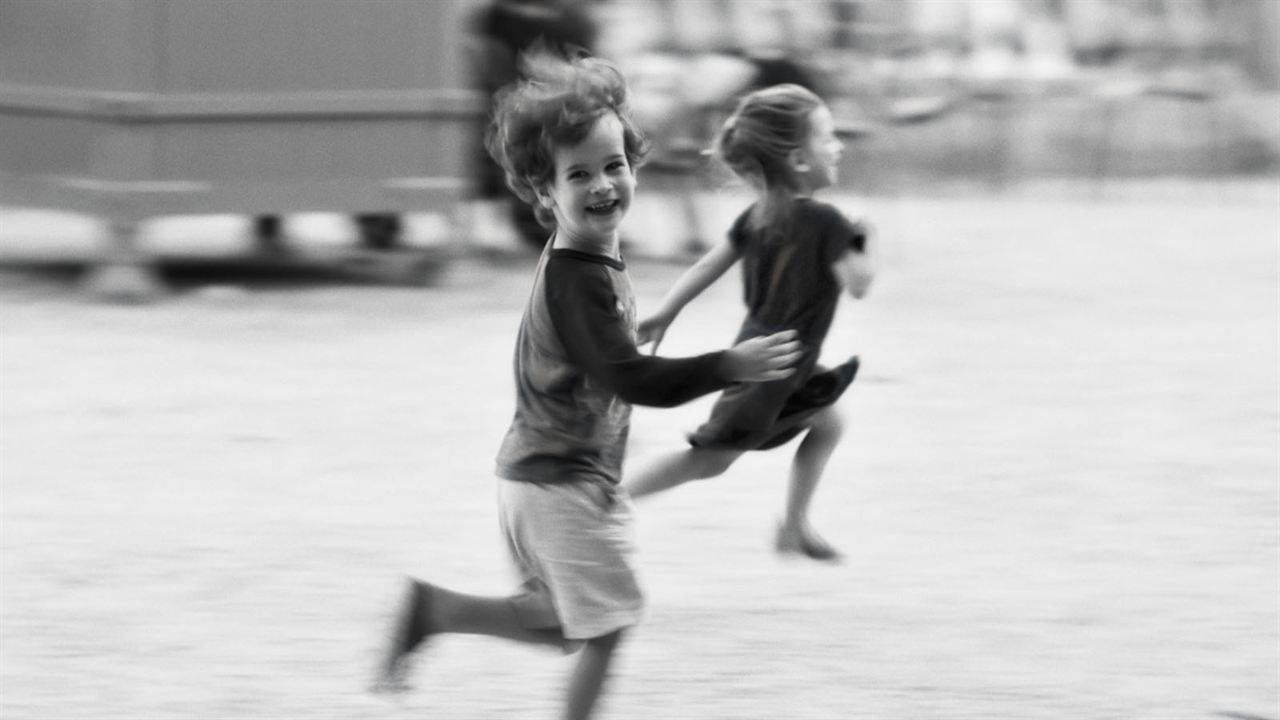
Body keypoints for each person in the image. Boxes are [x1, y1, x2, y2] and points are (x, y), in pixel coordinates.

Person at [371, 51, 803, 720]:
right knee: (605, 628)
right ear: (545, 193)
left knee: (558, 624)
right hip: (557, 484)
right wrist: (728, 365)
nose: (603, 185)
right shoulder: (577, 280)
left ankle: (435, 610)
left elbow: (609, 353)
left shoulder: (591, 258)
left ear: (634, 165)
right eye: (579, 175)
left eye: (613, 166)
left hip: (538, 480)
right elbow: (629, 378)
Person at [622, 83, 878, 562]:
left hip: (773, 362)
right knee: (707, 462)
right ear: (799, 161)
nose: (837, 145)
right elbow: (859, 283)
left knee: (829, 421)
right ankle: (606, 505)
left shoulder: (758, 216)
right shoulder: (828, 223)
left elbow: (704, 267)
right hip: (770, 369)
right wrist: (865, 235)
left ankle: (793, 527)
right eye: (827, 138)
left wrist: (664, 314)